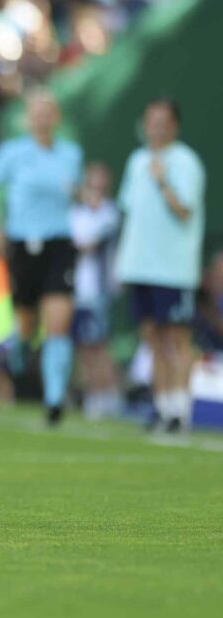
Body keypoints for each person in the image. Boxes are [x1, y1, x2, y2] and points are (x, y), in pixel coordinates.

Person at [0, 89, 82, 425]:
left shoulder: (71, 155)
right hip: (23, 244)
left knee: (58, 321)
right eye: (36, 112)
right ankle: (19, 351)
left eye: (48, 112)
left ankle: (54, 399)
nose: (42, 118)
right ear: (28, 118)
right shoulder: (13, 153)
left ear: (56, 117)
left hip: (59, 244)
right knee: (27, 321)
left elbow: (77, 193)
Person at [115, 98, 205, 432]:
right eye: (151, 120)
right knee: (152, 339)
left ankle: (181, 410)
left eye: (163, 120)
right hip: (140, 267)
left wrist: (163, 181)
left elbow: (184, 211)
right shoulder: (137, 160)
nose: (156, 126)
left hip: (173, 269)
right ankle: (163, 409)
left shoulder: (186, 162)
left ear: (175, 125)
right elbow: (131, 216)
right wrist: (124, 264)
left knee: (177, 340)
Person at [69, 163, 121, 420]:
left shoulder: (110, 213)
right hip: (77, 289)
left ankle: (108, 395)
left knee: (99, 345)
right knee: (83, 347)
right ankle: (92, 394)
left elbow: (88, 245)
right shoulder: (75, 214)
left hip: (98, 290)